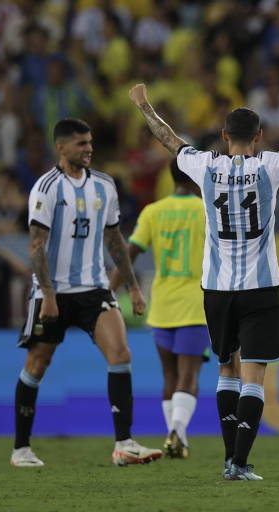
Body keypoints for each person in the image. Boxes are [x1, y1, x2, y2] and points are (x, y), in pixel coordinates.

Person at [129, 79, 279, 481]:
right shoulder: (272, 166)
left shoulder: (203, 165)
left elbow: (169, 139)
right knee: (254, 375)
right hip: (260, 288)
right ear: (259, 137)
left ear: (224, 136)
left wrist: (143, 105)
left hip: (216, 288)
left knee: (226, 370)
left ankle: (230, 459)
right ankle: (238, 463)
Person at [11, 118, 161, 468]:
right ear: (61, 148)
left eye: (90, 142)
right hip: (54, 292)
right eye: (81, 143)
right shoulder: (46, 188)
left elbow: (115, 240)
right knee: (36, 364)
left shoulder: (105, 186)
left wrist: (133, 287)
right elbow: (36, 246)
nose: (89, 148)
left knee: (121, 354)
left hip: (93, 288)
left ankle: (124, 444)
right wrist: (47, 294)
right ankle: (21, 448)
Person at [110, 159, 208, 459]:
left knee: (169, 375)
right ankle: (176, 431)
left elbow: (130, 252)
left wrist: (111, 289)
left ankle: (178, 439)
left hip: (162, 303)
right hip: (196, 303)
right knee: (188, 376)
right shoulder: (208, 210)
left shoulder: (153, 211)